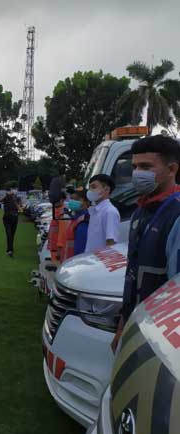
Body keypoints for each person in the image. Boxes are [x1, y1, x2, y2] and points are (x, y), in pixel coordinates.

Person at [112, 135, 180, 352]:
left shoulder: (176, 214)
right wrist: (123, 324)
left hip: (162, 339)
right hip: (137, 324)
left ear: (171, 170)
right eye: (134, 166)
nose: (137, 173)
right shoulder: (141, 211)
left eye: (145, 166)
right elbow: (132, 274)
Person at [84, 174, 121, 253]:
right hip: (91, 259)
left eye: (94, 187)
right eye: (89, 187)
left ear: (106, 190)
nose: (90, 191)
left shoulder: (109, 212)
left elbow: (111, 243)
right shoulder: (96, 211)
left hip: (99, 262)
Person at [63, 188, 91, 260]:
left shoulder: (84, 221)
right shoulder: (76, 217)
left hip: (75, 262)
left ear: (87, 202)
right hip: (70, 261)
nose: (73, 202)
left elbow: (81, 248)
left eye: (77, 199)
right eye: (72, 199)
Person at [0, 185, 22, 258]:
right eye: (13, 189)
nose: (14, 191)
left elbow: (20, 209)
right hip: (7, 218)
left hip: (14, 218)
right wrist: (7, 195)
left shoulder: (18, 198)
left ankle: (10, 248)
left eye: (15, 189)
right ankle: (9, 250)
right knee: (9, 234)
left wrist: (15, 201)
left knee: (12, 234)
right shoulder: (7, 197)